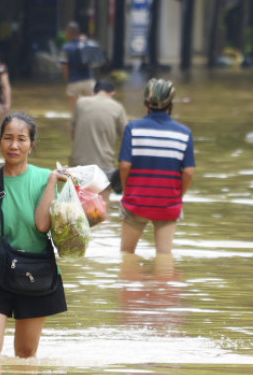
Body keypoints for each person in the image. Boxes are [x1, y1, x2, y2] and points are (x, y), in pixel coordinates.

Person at [0, 113, 70, 358]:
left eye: (21, 139)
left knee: (25, 353)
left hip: (36, 273)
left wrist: (53, 181)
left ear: (32, 145)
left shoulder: (45, 177)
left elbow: (43, 225)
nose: (14, 145)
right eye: (8, 138)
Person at [118, 78, 195, 257]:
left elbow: (125, 165)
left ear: (146, 102)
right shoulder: (184, 133)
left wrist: (127, 190)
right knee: (164, 255)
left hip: (136, 201)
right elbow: (189, 172)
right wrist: (178, 195)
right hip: (168, 203)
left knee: (127, 254)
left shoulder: (133, 129)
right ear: (171, 103)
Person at [70, 78, 127, 197]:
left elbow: (73, 133)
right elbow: (126, 139)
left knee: (77, 208)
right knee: (100, 210)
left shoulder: (80, 103)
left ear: (93, 92)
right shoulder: (117, 107)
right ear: (112, 93)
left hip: (79, 166)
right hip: (104, 165)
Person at [59, 21, 96, 107]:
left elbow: (65, 66)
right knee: (91, 108)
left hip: (74, 82)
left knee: (75, 110)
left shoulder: (66, 48)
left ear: (68, 32)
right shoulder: (86, 44)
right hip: (89, 81)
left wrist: (67, 80)